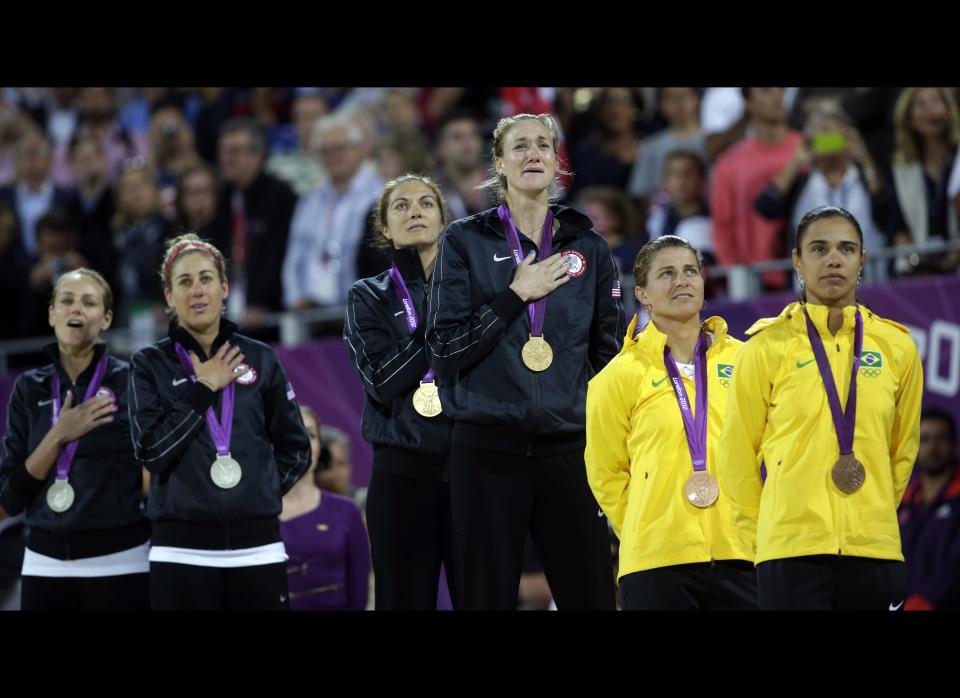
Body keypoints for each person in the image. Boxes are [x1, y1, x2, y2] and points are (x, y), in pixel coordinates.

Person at [426, 113, 624, 610]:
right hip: (487, 446)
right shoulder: (463, 242)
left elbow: (609, 355)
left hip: (570, 447)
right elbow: (445, 351)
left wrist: (580, 411)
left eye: (543, 145)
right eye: (519, 146)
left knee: (592, 595)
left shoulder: (590, 247)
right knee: (484, 598)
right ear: (499, 163)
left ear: (557, 162)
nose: (533, 154)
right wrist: (514, 296)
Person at [717, 205, 924, 610]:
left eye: (846, 249)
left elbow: (903, 450)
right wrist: (764, 533)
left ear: (862, 260)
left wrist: (875, 510)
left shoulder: (897, 347)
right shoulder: (764, 347)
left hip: (874, 549)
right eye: (819, 248)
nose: (833, 259)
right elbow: (736, 453)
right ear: (797, 260)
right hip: (789, 552)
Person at [128, 233, 311, 610]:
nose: (197, 290)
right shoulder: (149, 365)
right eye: (184, 281)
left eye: (206, 278)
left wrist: (257, 493)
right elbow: (151, 453)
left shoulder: (261, 358)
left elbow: (296, 447)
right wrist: (204, 387)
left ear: (224, 287)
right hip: (180, 553)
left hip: (257, 549)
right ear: (168, 296)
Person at [585, 235, 756, 610]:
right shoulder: (617, 377)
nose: (682, 281)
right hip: (656, 561)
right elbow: (605, 473)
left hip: (744, 554)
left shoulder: (748, 362)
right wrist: (647, 526)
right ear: (642, 292)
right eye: (667, 273)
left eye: (690, 271)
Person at [0, 269, 150, 609]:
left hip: (121, 561)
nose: (76, 310)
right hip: (43, 565)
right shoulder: (28, 389)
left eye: (89, 302)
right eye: (66, 301)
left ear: (107, 318)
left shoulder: (133, 383)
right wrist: (58, 435)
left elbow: (152, 478)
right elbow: (9, 500)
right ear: (51, 313)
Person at [343, 174, 456, 610]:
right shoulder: (367, 296)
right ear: (385, 228)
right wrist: (442, 315)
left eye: (427, 204)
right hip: (401, 473)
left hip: (469, 468)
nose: (415, 212)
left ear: (444, 221)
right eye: (402, 206)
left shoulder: (472, 290)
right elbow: (383, 382)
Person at [283, 111, 383, 309]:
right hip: (311, 314)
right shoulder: (310, 200)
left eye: (339, 148)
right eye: (325, 151)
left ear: (360, 149)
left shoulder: (380, 195)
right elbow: (295, 254)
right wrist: (294, 298)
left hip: (363, 312)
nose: (332, 156)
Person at [710, 88, 802, 289]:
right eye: (766, 90)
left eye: (781, 90)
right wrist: (737, 279)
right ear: (747, 102)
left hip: (806, 277)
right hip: (753, 282)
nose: (777, 96)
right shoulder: (729, 163)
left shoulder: (808, 149)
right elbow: (723, 226)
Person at [280, 405, 370, 611]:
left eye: (310, 435)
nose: (301, 441)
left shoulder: (347, 511)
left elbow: (358, 595)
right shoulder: (255, 513)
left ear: (320, 448)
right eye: (291, 431)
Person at [898, 407, 960, 610]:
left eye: (941, 438)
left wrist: (924, 601)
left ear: (954, 446)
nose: (932, 447)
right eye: (924, 439)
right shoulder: (902, 502)